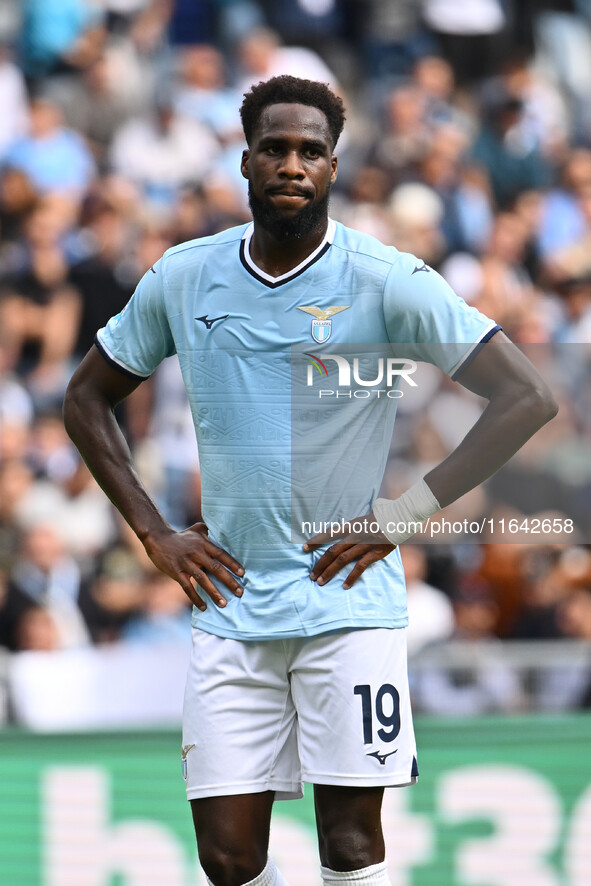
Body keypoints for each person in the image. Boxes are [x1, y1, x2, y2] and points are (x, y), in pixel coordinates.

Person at [63, 75, 557, 886]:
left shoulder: (385, 277)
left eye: (310, 151)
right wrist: (153, 532)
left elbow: (527, 396)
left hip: (347, 599)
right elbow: (85, 399)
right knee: (227, 859)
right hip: (229, 600)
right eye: (275, 149)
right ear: (246, 160)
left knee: (351, 847)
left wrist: (404, 514)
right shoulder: (185, 276)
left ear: (332, 166)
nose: (292, 164)